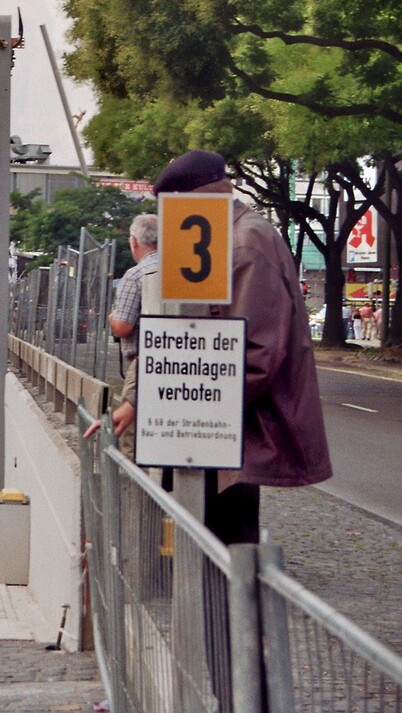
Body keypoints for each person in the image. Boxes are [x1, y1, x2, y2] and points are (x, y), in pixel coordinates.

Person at [86, 149, 332, 545]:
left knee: (221, 548)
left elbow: (253, 354)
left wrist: (174, 405)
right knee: (215, 542)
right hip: (224, 428)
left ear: (190, 200)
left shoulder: (241, 242)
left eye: (169, 208)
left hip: (226, 431)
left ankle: (224, 607)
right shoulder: (231, 237)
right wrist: (142, 403)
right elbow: (190, 338)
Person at [110, 214, 160, 367]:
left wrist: (112, 317)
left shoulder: (135, 275)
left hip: (144, 361)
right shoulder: (182, 271)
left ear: (134, 241)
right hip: (178, 357)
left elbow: (122, 328)